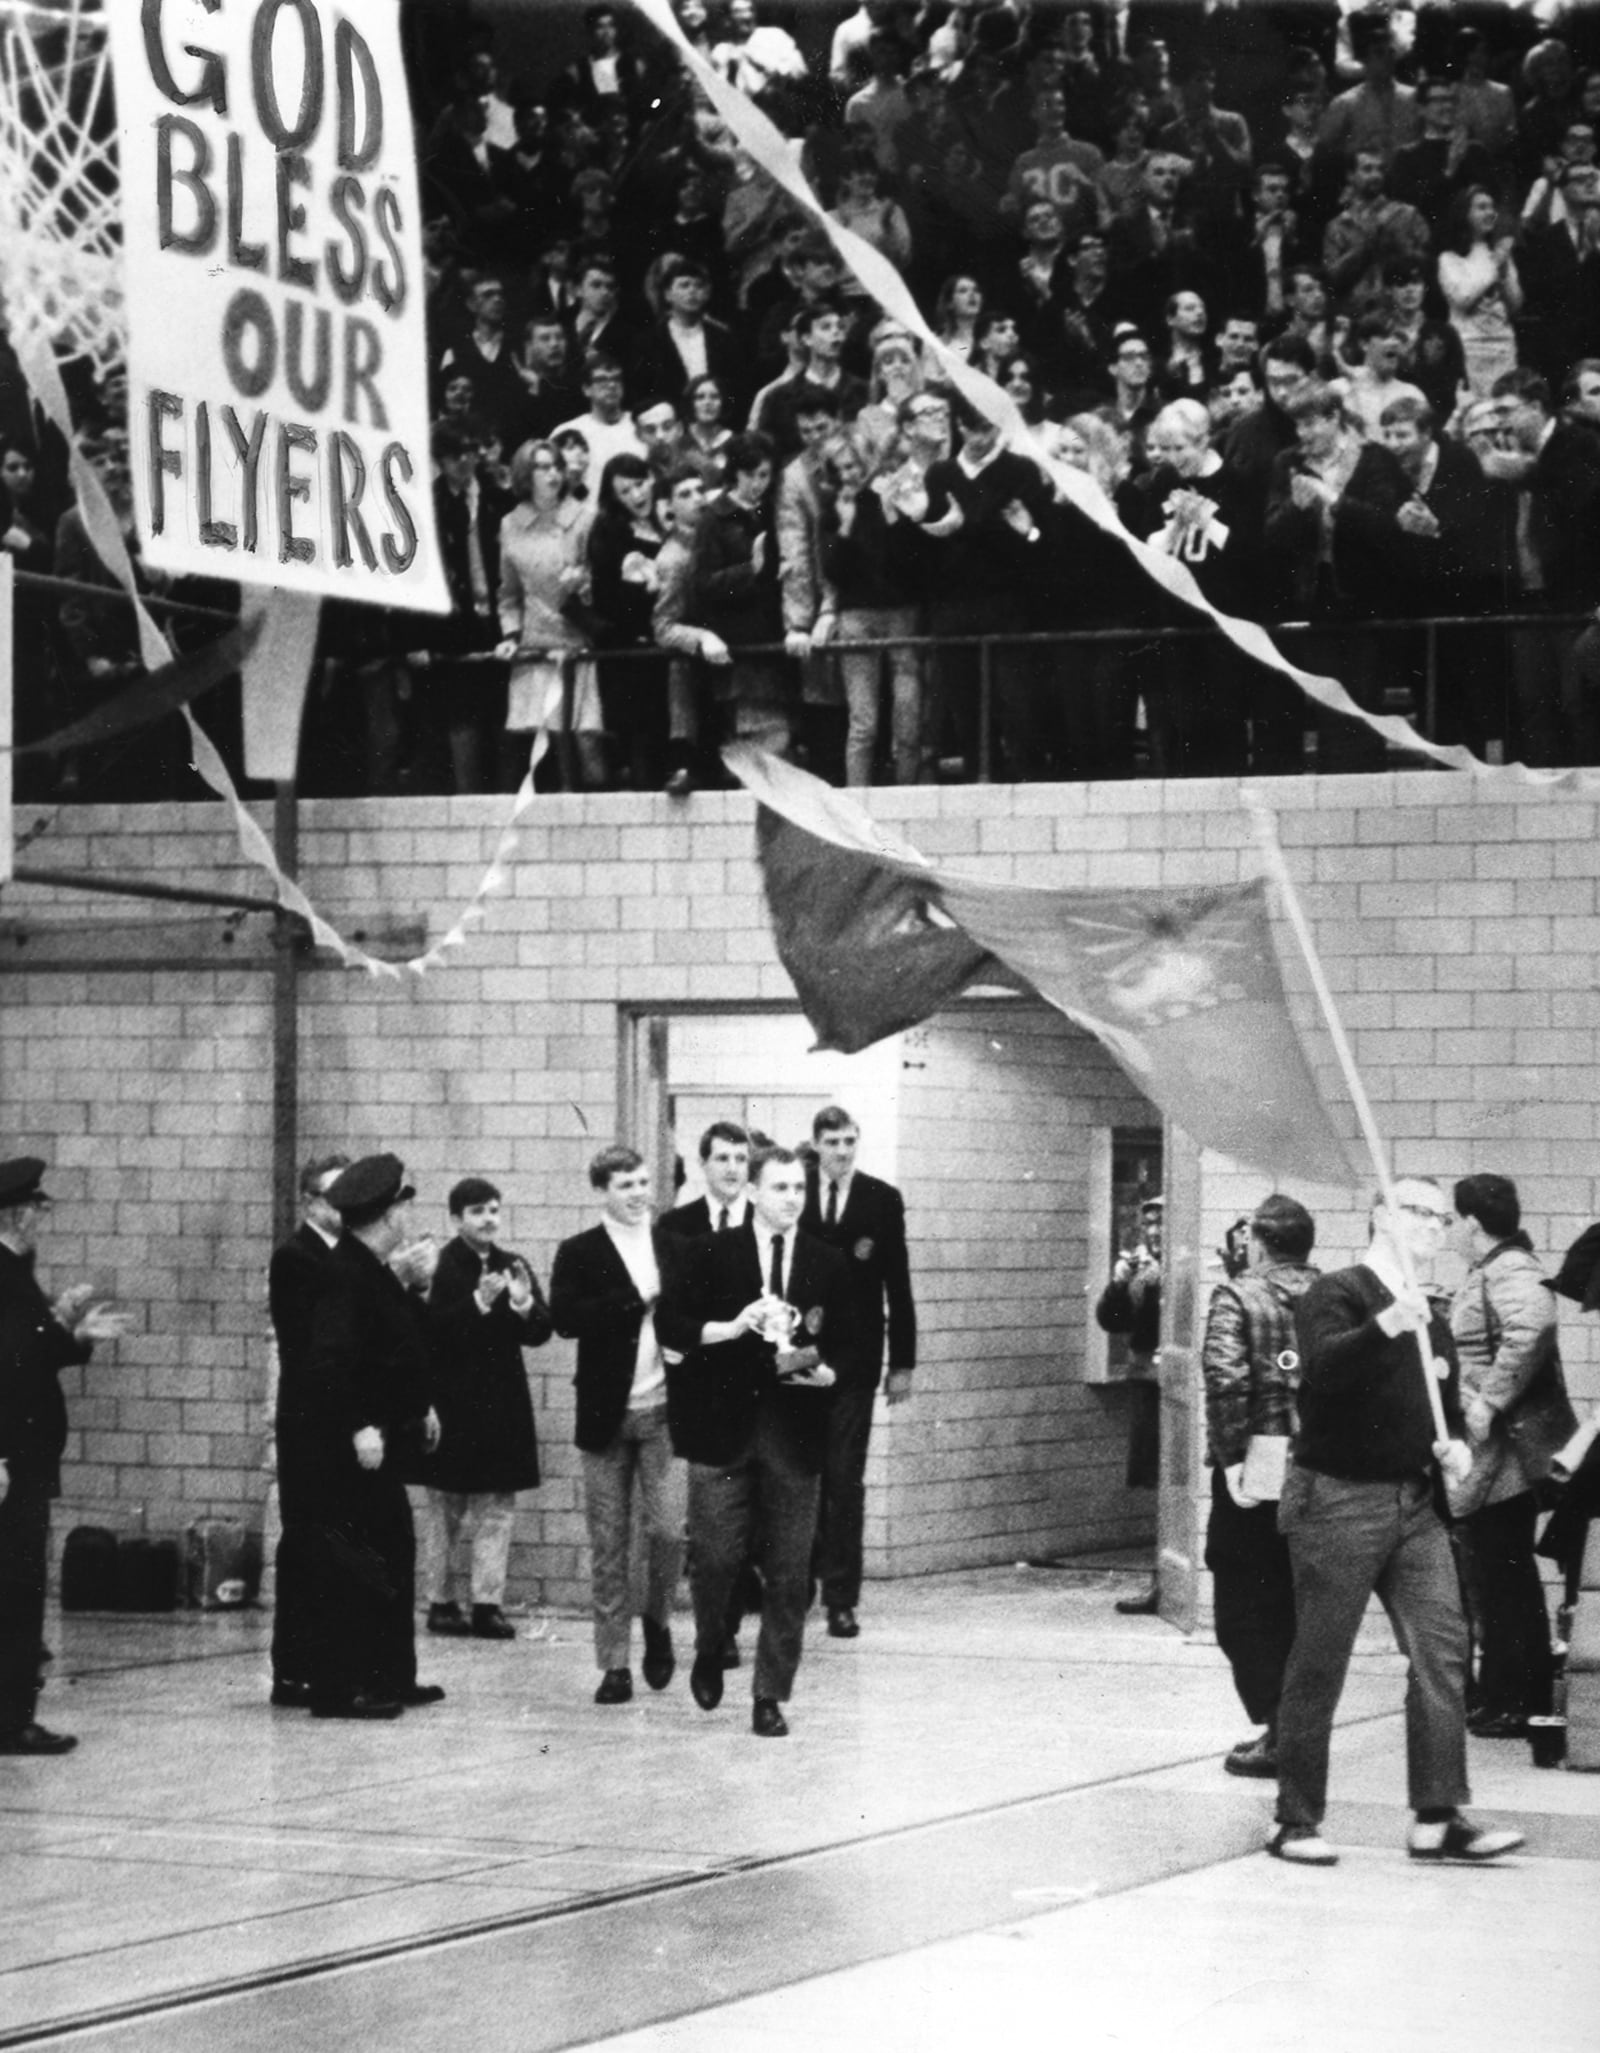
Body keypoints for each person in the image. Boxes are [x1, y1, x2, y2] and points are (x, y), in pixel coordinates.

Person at [1269, 1177, 1523, 1868]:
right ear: (1381, 1214)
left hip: (1414, 1504)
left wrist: (1453, 1447)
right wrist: (1387, 1323)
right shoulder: (1338, 1292)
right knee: (1321, 1658)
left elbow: (1435, 1399)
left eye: (1442, 1219)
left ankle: (1438, 1815)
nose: (1433, 1227)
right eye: (1418, 1212)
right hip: (1339, 1500)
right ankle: (1295, 1818)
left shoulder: (1431, 1313)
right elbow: (1323, 1369)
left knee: (1442, 1651)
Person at [656, 1147, 848, 1738]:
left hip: (794, 1437)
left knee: (790, 1574)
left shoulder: (828, 1261)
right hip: (724, 1433)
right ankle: (712, 1641)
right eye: (781, 1187)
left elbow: (851, 1343)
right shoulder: (710, 1252)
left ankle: (770, 1695)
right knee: (714, 1560)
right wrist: (733, 1328)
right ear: (754, 1193)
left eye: (799, 1187)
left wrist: (826, 1372)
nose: (792, 1197)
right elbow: (672, 1327)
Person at [302, 1155, 445, 1720]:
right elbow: (330, 1363)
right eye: (404, 1205)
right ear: (388, 1214)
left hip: (385, 1436)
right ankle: (344, 1686)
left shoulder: (372, 1269)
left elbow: (398, 1348)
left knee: (392, 1552)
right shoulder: (345, 1273)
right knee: (356, 1563)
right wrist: (359, 1424)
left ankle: (388, 1675)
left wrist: (420, 1408)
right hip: (352, 1446)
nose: (410, 1215)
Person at [0, 1157, 129, 1755]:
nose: (42, 1220)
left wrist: (68, 1329)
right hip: (11, 1460)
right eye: (37, 1210)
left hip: (22, 1456)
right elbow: (7, 1367)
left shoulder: (14, 1270)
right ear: (18, 1212)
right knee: (16, 1588)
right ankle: (11, 1720)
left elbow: (28, 1348)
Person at [549, 1147, 686, 1706]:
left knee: (669, 1530)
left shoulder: (672, 1247)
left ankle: (657, 1618)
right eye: (625, 1183)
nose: (637, 1192)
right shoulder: (579, 1251)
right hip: (607, 1415)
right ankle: (613, 1662)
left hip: (663, 1412)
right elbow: (565, 1318)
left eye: (643, 1182)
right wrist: (635, 1300)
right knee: (609, 1544)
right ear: (602, 1189)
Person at [1447, 1175, 1575, 1739]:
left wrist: (1489, 1401)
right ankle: (1508, 1695)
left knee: (1504, 1575)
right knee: (1501, 1572)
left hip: (1508, 1453)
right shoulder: (1494, 1270)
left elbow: (1533, 1326)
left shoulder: (1512, 1270)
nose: (1451, 1231)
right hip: (1498, 1452)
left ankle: (1516, 1700)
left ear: (1472, 1223)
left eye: (1452, 1221)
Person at [1200, 1194, 1319, 1781]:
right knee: (1296, 1600)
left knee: (1243, 1599)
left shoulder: (1236, 1295)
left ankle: (1276, 1728)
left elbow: (1226, 1379)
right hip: (1319, 1461)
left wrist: (1229, 1461)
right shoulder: (1334, 1291)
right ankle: (1294, 1726)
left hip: (1259, 1455)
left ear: (1260, 1241)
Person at [420, 1178, 552, 1643]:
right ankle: (439, 1601)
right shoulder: (440, 1266)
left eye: (494, 1210)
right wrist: (479, 1302)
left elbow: (541, 1332)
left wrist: (521, 1303)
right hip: (453, 1402)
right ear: (456, 1219)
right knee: (445, 1510)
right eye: (478, 1211)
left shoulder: (513, 1264)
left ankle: (486, 1605)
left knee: (497, 1510)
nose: (489, 1219)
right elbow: (431, 1333)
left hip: (502, 1404)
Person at [801, 1107, 915, 1641]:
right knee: (799, 1474)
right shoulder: (792, 1190)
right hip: (796, 1356)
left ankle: (841, 1599)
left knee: (844, 1479)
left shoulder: (880, 1199)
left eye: (849, 1140)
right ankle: (796, 1583)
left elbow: (898, 1284)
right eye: (832, 1141)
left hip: (856, 1360)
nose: (842, 1151)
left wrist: (903, 1363)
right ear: (816, 1144)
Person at [267, 1152, 350, 1709]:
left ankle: (331, 1661)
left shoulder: (346, 1256)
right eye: (333, 1195)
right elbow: (308, 1345)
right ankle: (292, 1667)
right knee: (305, 1545)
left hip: (342, 1419)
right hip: (309, 1420)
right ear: (310, 1202)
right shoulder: (296, 1257)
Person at [1096, 1195, 1164, 1615]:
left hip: (1172, 1382)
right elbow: (1113, 1322)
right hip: (1146, 1380)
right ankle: (1160, 1578)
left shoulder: (1183, 1266)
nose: (1155, 1231)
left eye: (1162, 1222)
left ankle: (1168, 1580)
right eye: (1149, 1224)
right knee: (1156, 1481)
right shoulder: (1143, 1270)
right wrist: (1119, 1284)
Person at [661, 1123, 753, 1241]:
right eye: (723, 1158)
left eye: (741, 1159)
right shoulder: (673, 1225)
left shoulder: (765, 1222)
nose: (732, 1169)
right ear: (702, 1163)